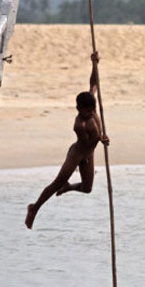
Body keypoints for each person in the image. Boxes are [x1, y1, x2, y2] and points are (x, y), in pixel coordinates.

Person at [25, 52, 109, 229]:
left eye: (92, 109)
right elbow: (88, 143)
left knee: (87, 189)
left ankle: (69, 187)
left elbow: (93, 84)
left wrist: (94, 64)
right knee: (56, 182)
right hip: (78, 154)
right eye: (86, 111)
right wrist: (102, 139)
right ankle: (34, 207)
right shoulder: (80, 124)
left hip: (90, 153)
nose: (90, 112)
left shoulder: (92, 106)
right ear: (78, 109)